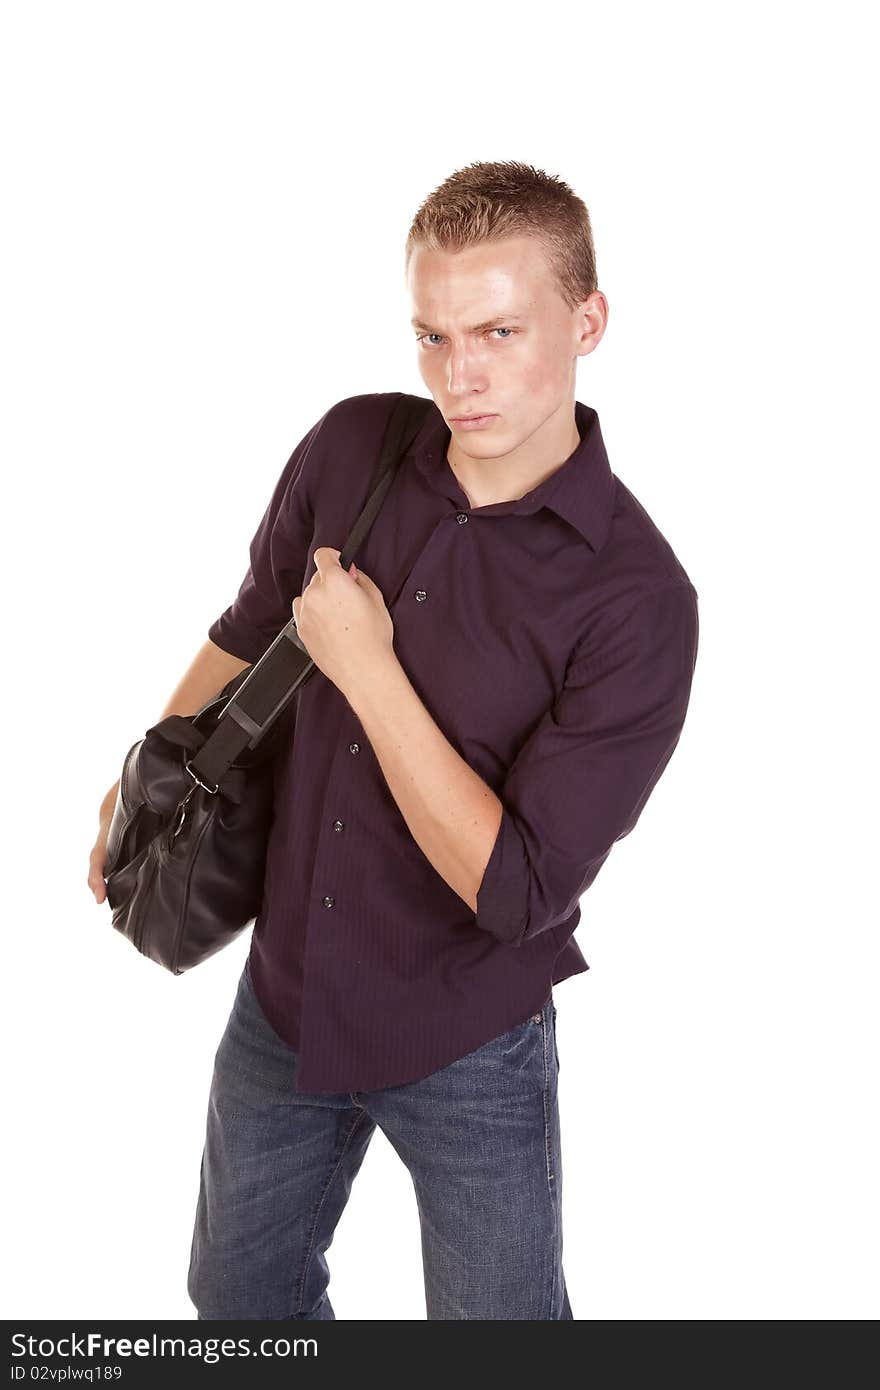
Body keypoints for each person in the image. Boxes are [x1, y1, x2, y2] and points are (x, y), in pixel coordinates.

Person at [89, 160, 699, 1320]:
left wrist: (367, 670)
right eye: (430, 336)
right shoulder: (354, 447)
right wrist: (147, 780)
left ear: (589, 320)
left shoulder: (637, 600)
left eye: (497, 331)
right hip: (287, 996)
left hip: (465, 1033)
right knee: (236, 1303)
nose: (456, 376)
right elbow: (247, 630)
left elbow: (513, 890)